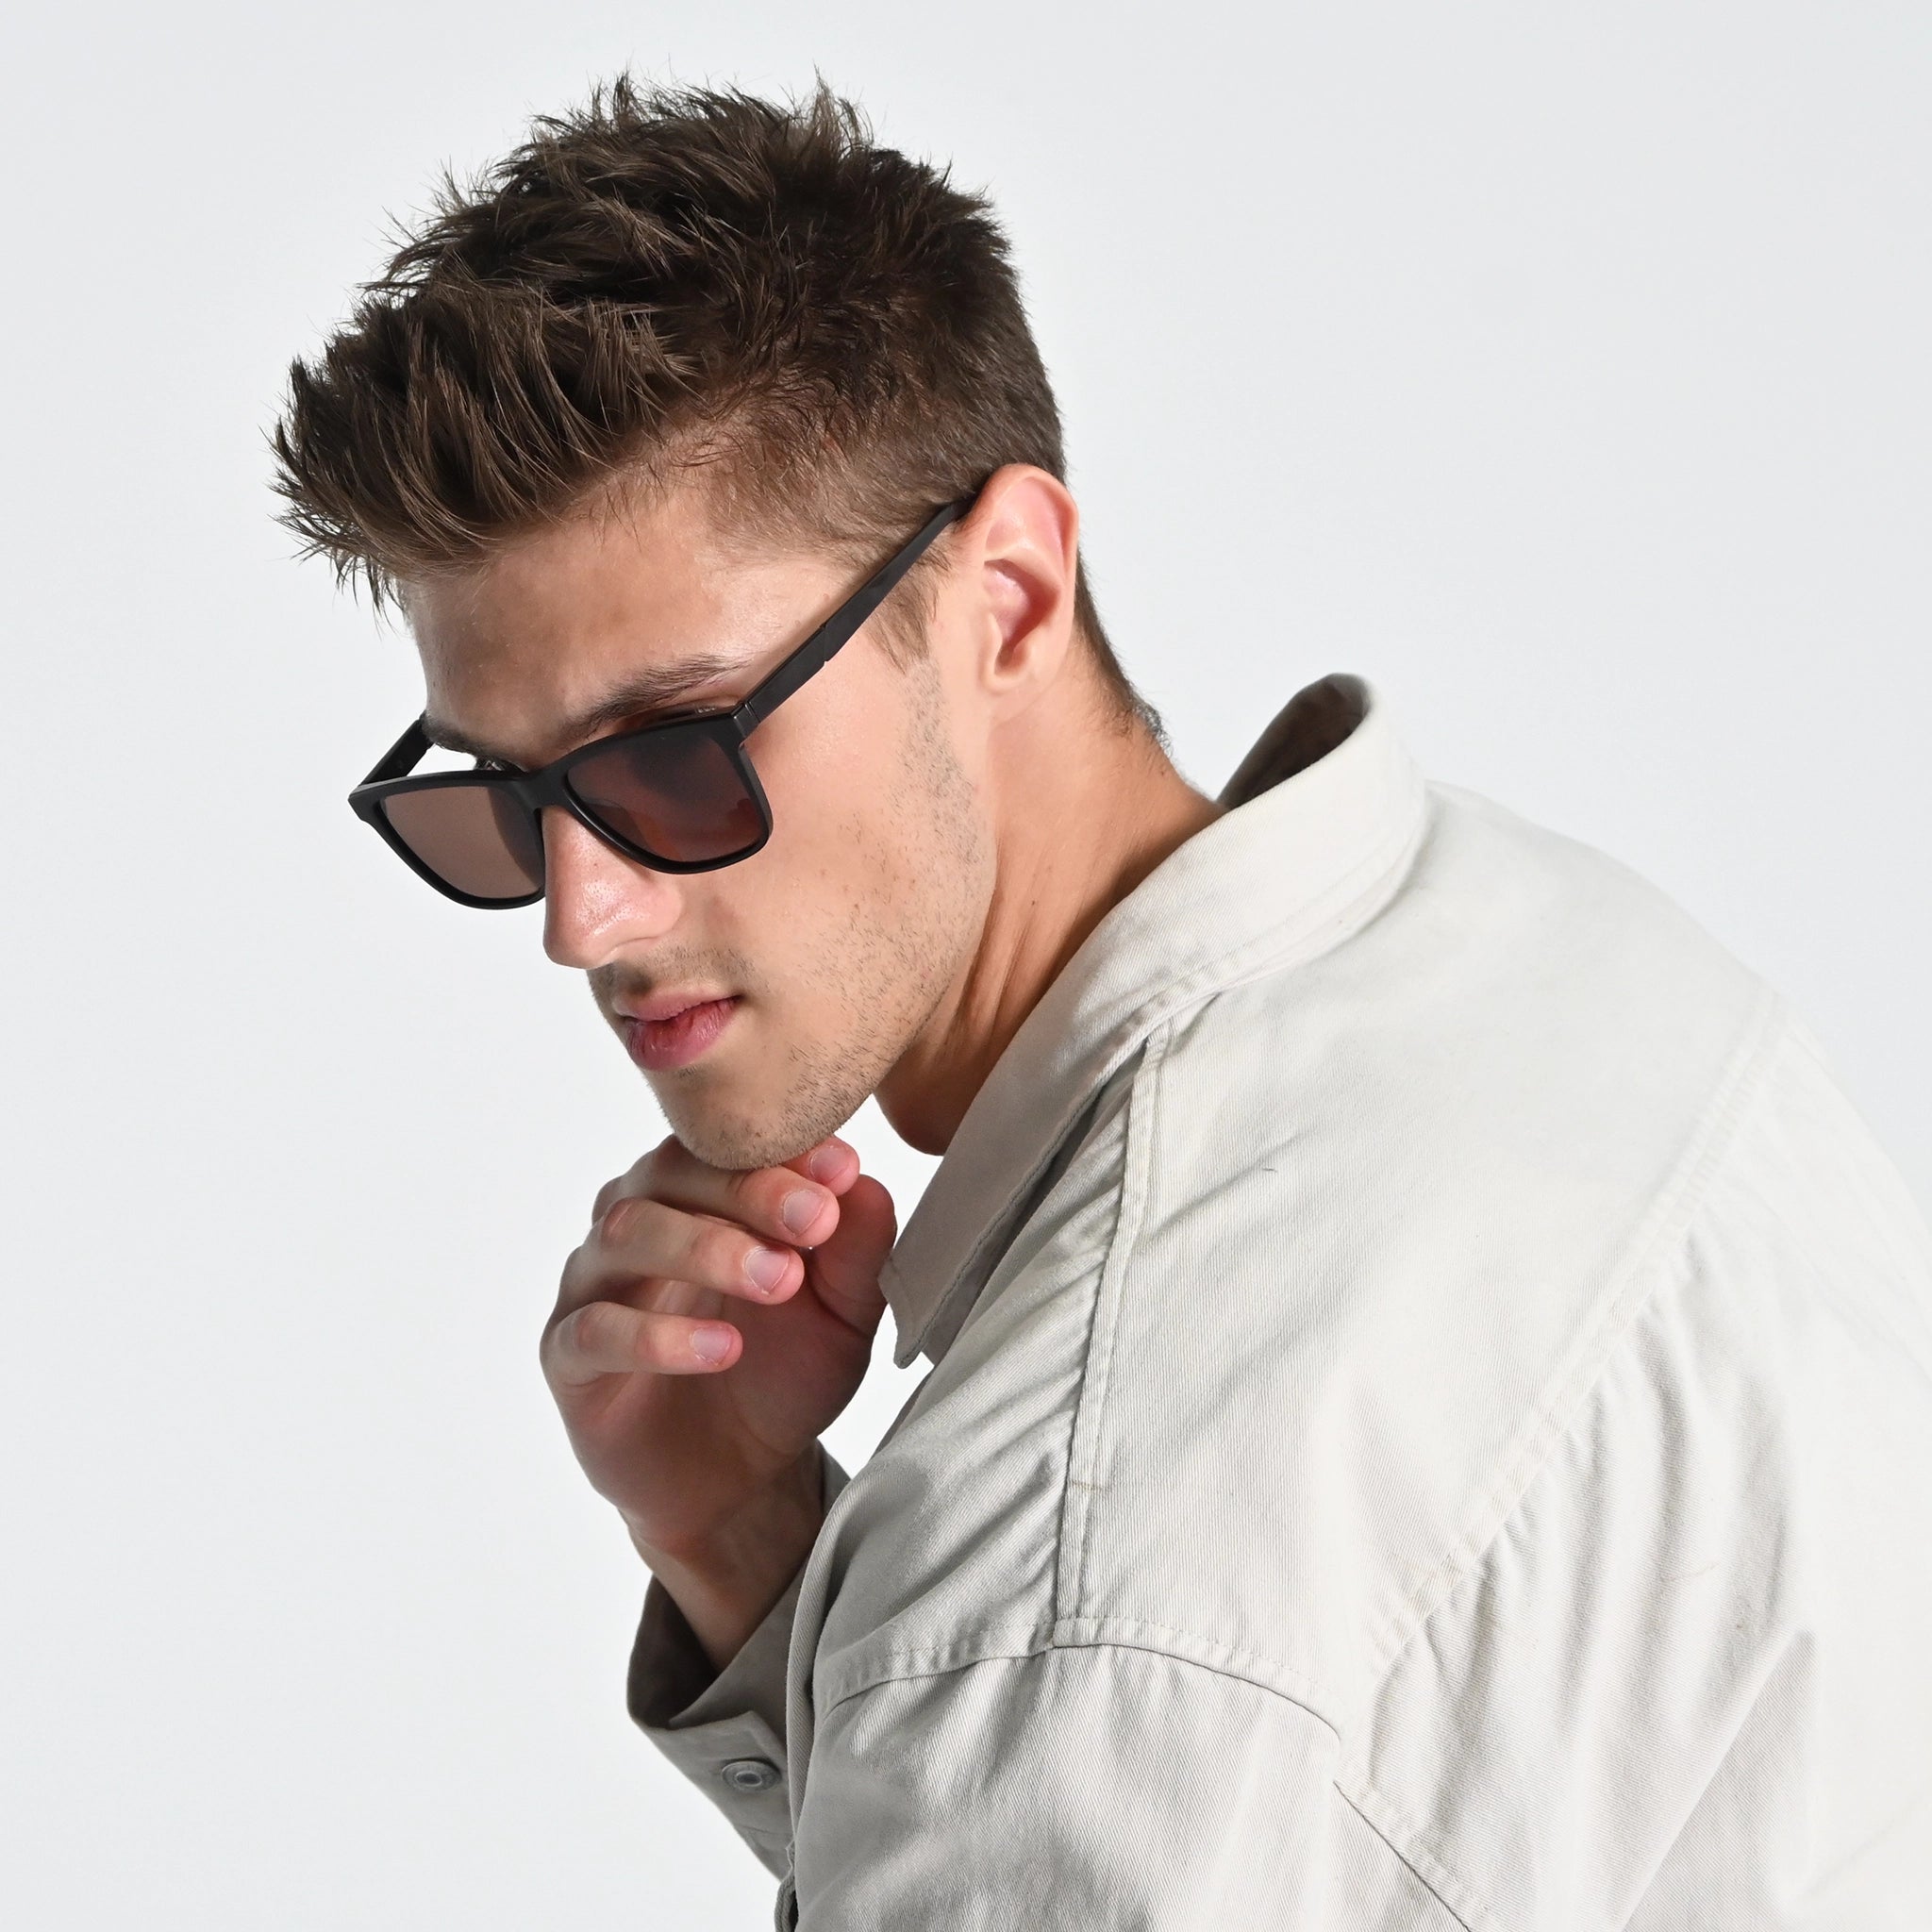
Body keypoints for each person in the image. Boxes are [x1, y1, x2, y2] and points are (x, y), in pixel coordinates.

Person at [272, 76, 1932, 1929]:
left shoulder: (1065, 1611)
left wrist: (938, 1657)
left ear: (1004, 589)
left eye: (671, 754)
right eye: (497, 800)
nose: (583, 915)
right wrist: (751, 1549)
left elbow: (1091, 1706)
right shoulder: (1529, 943)